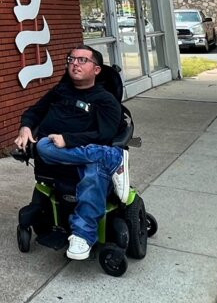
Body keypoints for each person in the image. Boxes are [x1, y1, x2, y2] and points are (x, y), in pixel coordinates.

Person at [12, 45, 130, 262]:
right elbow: (34, 111)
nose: (75, 63)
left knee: (93, 169)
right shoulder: (60, 91)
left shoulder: (105, 99)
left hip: (82, 157)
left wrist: (68, 140)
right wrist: (26, 128)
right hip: (53, 155)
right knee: (43, 146)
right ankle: (110, 157)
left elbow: (105, 134)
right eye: (71, 59)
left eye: (82, 60)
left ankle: (82, 236)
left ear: (96, 70)